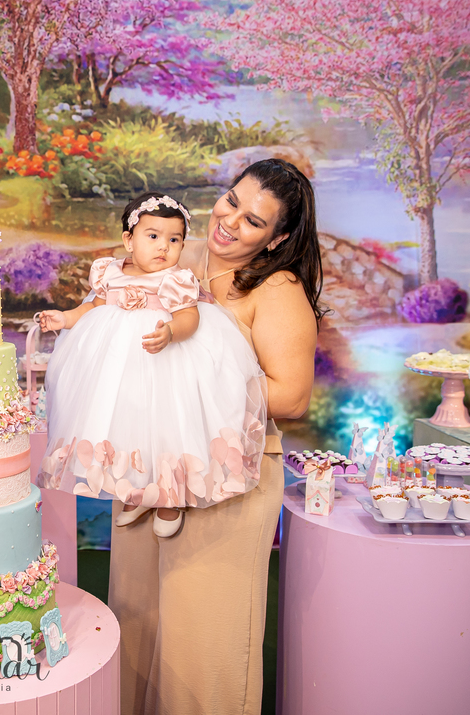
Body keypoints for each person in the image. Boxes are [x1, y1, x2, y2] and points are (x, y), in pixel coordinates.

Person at [107, 159, 324, 715]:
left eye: (253, 221)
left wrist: (198, 377)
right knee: (133, 631)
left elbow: (292, 398)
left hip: (227, 483)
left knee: (200, 654)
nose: (229, 221)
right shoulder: (177, 255)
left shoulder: (276, 289)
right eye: (232, 201)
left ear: (276, 240)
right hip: (149, 471)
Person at [36, 192, 268, 538]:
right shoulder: (109, 271)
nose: (164, 247)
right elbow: (93, 307)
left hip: (166, 364)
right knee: (128, 424)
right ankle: (138, 488)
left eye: (174, 240)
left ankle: (171, 496)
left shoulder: (176, 278)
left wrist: (171, 331)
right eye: (153, 236)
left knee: (168, 427)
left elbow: (189, 317)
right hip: (121, 367)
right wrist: (65, 318)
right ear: (129, 240)